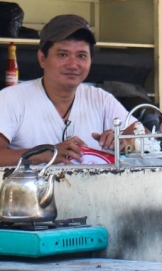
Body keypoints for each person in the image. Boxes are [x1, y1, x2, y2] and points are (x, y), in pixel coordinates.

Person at [0, 14, 139, 166]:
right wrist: (43, 153)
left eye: (82, 56)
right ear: (42, 58)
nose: (73, 65)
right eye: (63, 55)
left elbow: (144, 136)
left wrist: (124, 140)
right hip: (30, 190)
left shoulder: (100, 99)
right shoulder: (12, 99)